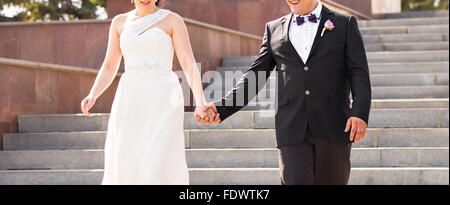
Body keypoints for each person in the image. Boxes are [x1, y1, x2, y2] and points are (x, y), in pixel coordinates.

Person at [200, 0, 372, 185]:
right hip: (292, 128)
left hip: (333, 124)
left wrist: (359, 113)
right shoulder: (273, 29)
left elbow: (358, 72)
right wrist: (222, 107)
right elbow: (255, 76)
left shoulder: (344, 24)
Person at [80, 0, 218, 185]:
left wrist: (201, 101)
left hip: (164, 99)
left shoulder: (172, 20)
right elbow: (110, 64)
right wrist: (93, 93)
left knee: (158, 166)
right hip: (130, 100)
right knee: (127, 161)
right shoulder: (119, 22)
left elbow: (187, 61)